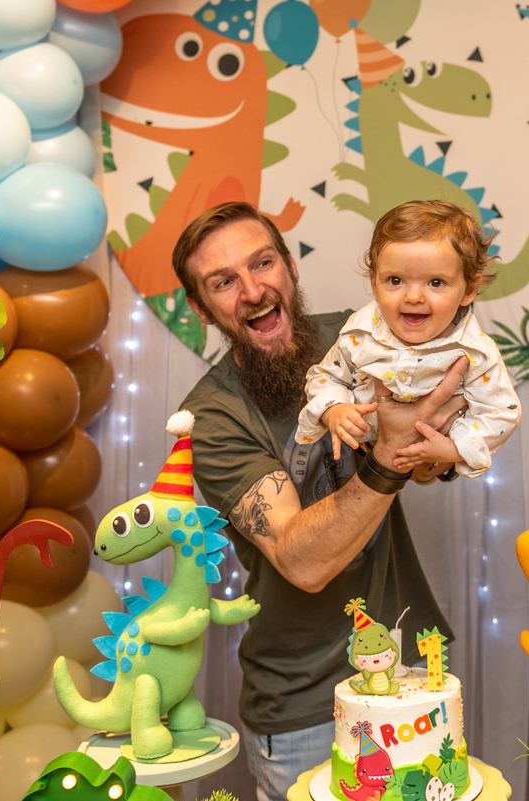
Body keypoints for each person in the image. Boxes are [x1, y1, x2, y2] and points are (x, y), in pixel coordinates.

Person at [172, 201, 462, 801]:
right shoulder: (214, 418)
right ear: (202, 309)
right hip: (303, 708)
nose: (253, 291)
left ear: (290, 266)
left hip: (405, 674)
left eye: (263, 263)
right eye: (223, 282)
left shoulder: (358, 339)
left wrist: (432, 449)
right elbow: (303, 562)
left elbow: (428, 458)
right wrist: (387, 456)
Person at [296, 200, 520, 478]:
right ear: (374, 283)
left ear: (469, 290)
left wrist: (453, 450)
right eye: (395, 280)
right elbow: (324, 377)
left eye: (435, 282)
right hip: (364, 454)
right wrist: (333, 409)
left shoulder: (476, 352)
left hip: (429, 458)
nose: (413, 297)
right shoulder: (360, 332)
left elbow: (501, 413)